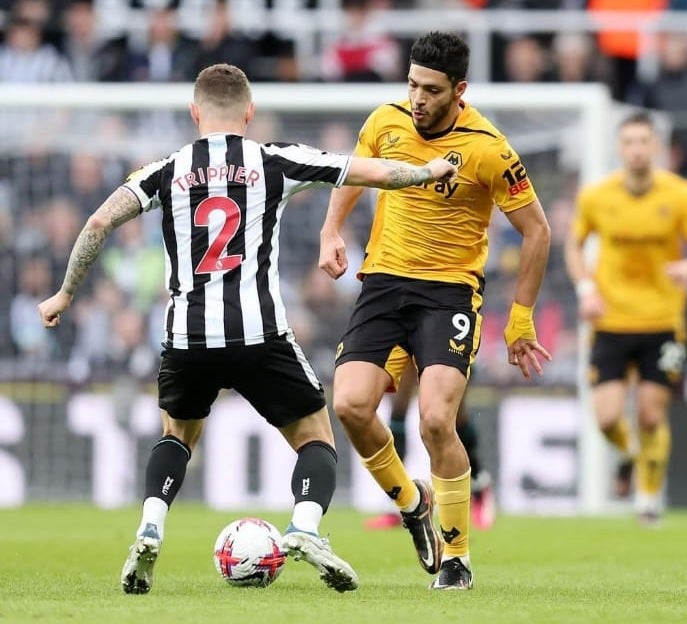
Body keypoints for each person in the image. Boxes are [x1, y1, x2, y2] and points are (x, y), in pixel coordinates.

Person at [36, 63, 458, 595]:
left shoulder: (163, 169)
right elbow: (370, 172)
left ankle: (150, 525)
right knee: (315, 437)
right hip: (259, 335)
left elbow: (98, 223)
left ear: (195, 112)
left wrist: (64, 293)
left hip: (187, 337)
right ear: (249, 112)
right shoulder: (273, 159)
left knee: (177, 435)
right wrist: (430, 170)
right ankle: (304, 528)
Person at [319, 32, 552, 590]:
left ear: (459, 90)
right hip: (382, 284)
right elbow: (353, 172)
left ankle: (456, 559)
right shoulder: (386, 121)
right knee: (350, 405)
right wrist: (331, 230)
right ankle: (411, 500)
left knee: (435, 420)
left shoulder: (488, 148)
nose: (417, 99)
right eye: (412, 86)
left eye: (430, 90)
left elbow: (538, 231)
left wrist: (520, 319)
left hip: (448, 292)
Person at [564, 110, 687, 526]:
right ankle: (632, 457)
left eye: (643, 142)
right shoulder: (597, 196)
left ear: (657, 147)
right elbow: (574, 246)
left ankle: (647, 501)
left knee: (651, 414)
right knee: (607, 418)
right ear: (619, 148)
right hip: (610, 320)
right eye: (629, 142)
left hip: (663, 320)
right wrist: (585, 289)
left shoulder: (680, 194)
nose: (636, 150)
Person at [364, 366, 496, 532]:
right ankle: (396, 502)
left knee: (452, 414)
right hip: (407, 341)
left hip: (445, 342)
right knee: (398, 407)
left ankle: (478, 485)